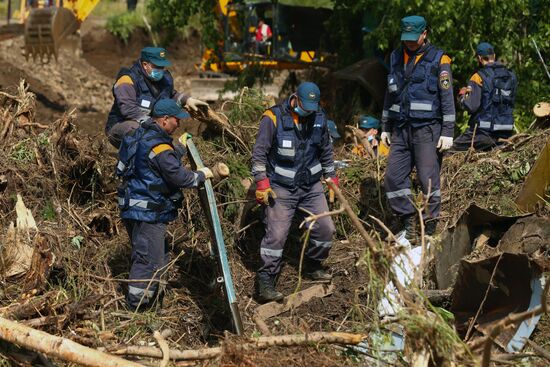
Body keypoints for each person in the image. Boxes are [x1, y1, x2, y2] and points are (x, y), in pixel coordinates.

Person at [116, 99, 213, 311]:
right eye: (176, 120)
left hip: (132, 208)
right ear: (164, 119)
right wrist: (200, 175)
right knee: (147, 261)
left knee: (152, 257)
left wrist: (178, 148)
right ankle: (137, 311)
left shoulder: (138, 135)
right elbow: (180, 178)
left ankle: (150, 305)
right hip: (148, 213)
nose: (178, 124)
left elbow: (149, 162)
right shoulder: (159, 146)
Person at [251, 82, 338, 302]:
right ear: (295, 99)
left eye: (312, 106)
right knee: (277, 235)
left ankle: (312, 264)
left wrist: (332, 177)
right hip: (281, 188)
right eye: (305, 105)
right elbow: (259, 154)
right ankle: (266, 280)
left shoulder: (319, 117)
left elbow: (326, 150)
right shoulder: (273, 118)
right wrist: (262, 183)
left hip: (310, 186)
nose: (308, 110)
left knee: (326, 228)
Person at [380, 15, 456, 241]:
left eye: (415, 38)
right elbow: (389, 94)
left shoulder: (439, 59)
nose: (410, 43)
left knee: (427, 178)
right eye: (407, 38)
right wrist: (385, 126)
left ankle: (431, 226)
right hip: (401, 129)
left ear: (425, 34)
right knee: (393, 178)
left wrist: (448, 131)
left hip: (427, 129)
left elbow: (447, 97)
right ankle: (408, 219)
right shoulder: (395, 57)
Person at [106, 46, 208, 148]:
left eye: (162, 67)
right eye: (157, 66)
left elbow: (171, 95)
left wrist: (187, 100)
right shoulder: (127, 80)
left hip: (149, 124)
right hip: (122, 124)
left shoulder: (163, 79)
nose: (160, 70)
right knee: (141, 132)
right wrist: (153, 125)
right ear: (145, 65)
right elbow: (128, 109)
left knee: (162, 128)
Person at [451, 42, 518, 151]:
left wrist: (462, 97)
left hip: (482, 133)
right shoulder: (511, 76)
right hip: (506, 132)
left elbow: (472, 106)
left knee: (449, 151)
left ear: (479, 58)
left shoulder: (478, 77)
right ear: (494, 56)